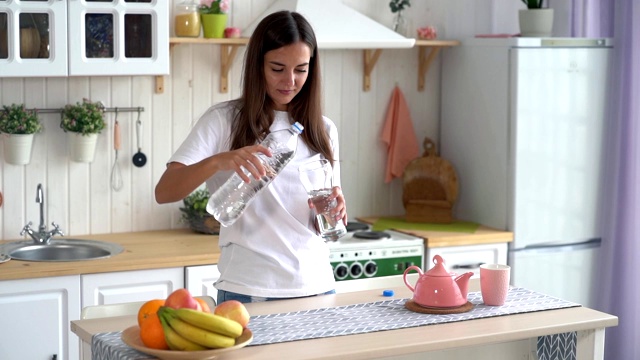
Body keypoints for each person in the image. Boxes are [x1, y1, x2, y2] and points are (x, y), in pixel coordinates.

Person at [155, 10, 347, 304]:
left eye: (301, 69)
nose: (290, 80)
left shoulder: (324, 130)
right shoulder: (224, 120)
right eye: (278, 68)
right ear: (258, 65)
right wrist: (220, 161)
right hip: (249, 289)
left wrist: (331, 208)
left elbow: (321, 214)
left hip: (317, 286)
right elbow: (165, 191)